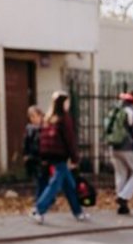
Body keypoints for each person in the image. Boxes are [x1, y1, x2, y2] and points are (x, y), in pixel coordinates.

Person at [31, 92, 89, 224]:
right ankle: (39, 209)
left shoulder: (48, 117)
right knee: (55, 184)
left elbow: (43, 139)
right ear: (63, 103)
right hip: (60, 155)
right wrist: (75, 158)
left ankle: (78, 211)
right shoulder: (64, 118)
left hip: (49, 154)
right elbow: (70, 139)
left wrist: (44, 155)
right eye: (67, 102)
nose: (68, 105)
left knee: (69, 185)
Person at [106, 90, 133, 215]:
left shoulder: (115, 110)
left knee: (120, 174)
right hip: (128, 148)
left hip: (113, 147)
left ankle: (122, 206)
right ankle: (123, 197)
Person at [22, 105, 48, 201]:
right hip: (34, 157)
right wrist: (26, 154)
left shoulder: (44, 127)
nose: (33, 119)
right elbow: (26, 143)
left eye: (35, 116)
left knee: (43, 179)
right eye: (31, 117)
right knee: (40, 179)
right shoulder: (30, 129)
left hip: (42, 156)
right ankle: (42, 198)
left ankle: (41, 198)